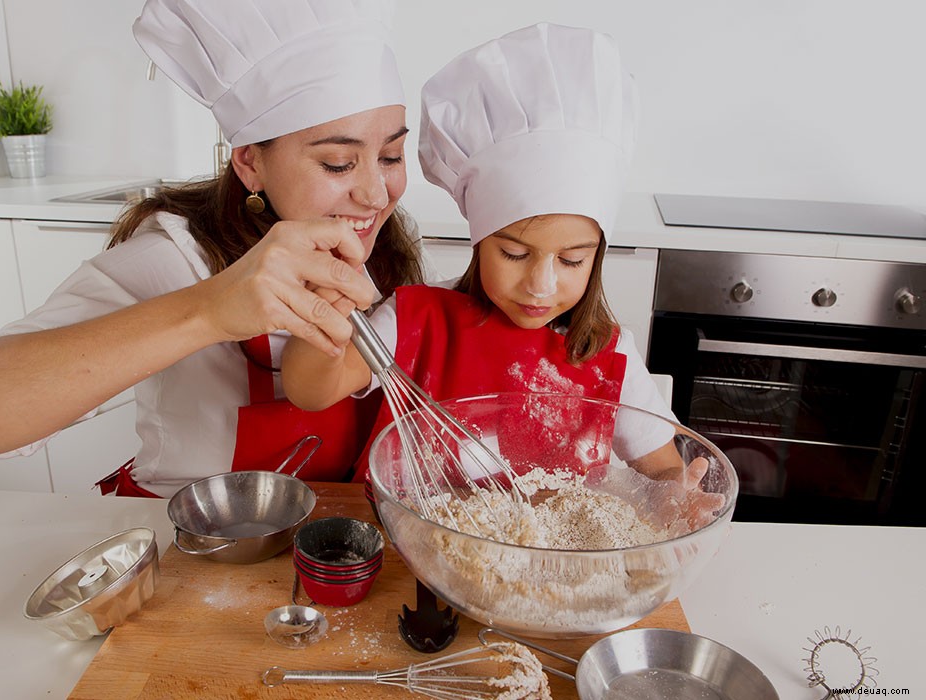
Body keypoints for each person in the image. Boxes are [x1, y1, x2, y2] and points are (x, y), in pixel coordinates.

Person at [0, 0, 427, 497]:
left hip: (338, 542)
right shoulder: (175, 260)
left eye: (390, 155)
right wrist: (208, 311)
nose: (376, 195)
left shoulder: (387, 252)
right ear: (250, 163)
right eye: (338, 163)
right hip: (195, 552)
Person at [282, 23, 723, 522]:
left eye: (572, 260)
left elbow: (663, 467)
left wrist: (672, 494)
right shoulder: (415, 320)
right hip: (411, 556)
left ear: (596, 256)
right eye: (514, 254)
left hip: (554, 574)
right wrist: (329, 303)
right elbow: (310, 390)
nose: (541, 284)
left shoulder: (605, 353)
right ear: (478, 241)